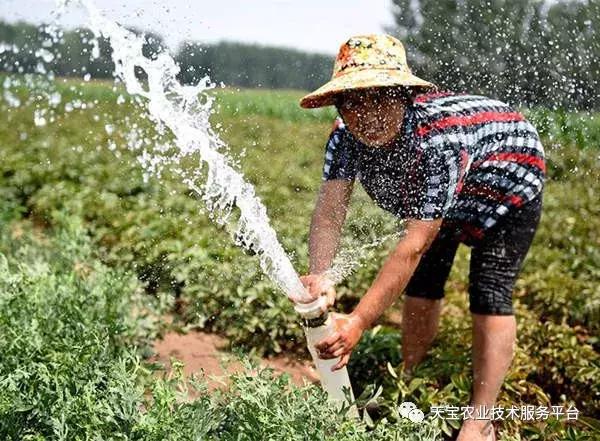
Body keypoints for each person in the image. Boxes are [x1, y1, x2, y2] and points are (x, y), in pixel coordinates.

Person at [296, 34, 545, 441]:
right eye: (354, 102)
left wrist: (358, 321)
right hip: (448, 195)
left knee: (489, 291)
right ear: (339, 105)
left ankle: (479, 421)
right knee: (425, 281)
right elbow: (329, 211)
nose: (367, 115)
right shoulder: (344, 137)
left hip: (510, 181)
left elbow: (411, 246)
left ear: (405, 95)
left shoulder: (437, 141)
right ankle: (410, 377)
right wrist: (321, 276)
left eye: (380, 98)